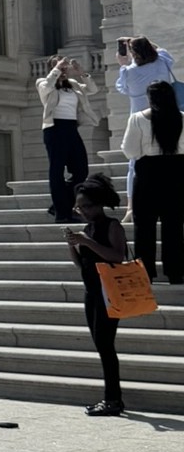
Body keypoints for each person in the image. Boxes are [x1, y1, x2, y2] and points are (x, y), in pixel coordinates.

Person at [65, 173, 128, 416]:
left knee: (105, 346)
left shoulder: (112, 225)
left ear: (99, 203)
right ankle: (111, 398)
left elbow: (117, 256)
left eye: (86, 206)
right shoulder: (87, 229)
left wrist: (88, 242)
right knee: (101, 345)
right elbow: (82, 266)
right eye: (79, 207)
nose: (83, 211)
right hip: (91, 292)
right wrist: (73, 245)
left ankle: (113, 399)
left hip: (108, 292)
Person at [121, 80, 184, 284]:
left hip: (148, 172)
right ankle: (175, 271)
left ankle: (145, 272)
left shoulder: (138, 118)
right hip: (175, 172)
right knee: (174, 226)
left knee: (144, 227)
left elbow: (130, 151)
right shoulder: (182, 119)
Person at [115, 36, 175, 222]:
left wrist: (122, 62)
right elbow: (161, 50)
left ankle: (131, 207)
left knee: (134, 165)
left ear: (133, 54)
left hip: (141, 121)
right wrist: (141, 41)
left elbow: (122, 89)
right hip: (168, 118)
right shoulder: (162, 62)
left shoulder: (128, 72)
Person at [36, 56, 98, 223]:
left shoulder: (73, 84)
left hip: (71, 128)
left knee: (81, 170)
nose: (63, 70)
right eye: (60, 67)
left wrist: (81, 73)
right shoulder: (43, 82)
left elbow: (93, 89)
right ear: (53, 68)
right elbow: (47, 86)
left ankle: (59, 206)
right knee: (56, 171)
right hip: (54, 129)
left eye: (65, 68)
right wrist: (57, 69)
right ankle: (62, 214)